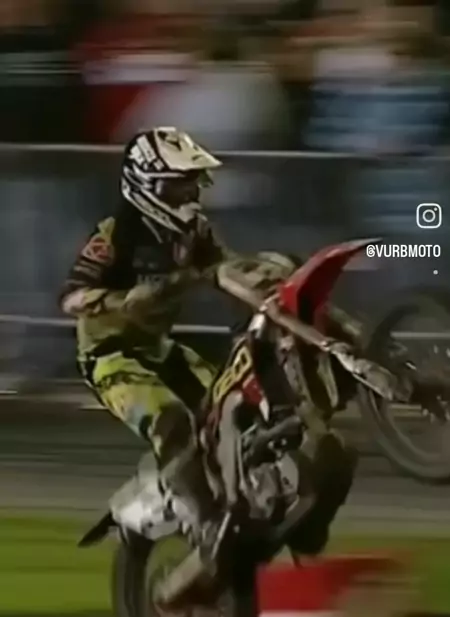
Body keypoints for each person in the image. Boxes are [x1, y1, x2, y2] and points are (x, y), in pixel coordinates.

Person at [60, 126, 361, 569]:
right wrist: (122, 301)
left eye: (192, 183)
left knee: (235, 410)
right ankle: (205, 527)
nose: (189, 194)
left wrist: (272, 284)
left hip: (162, 349)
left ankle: (276, 511)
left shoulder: (195, 232)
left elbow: (228, 271)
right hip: (109, 355)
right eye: (178, 185)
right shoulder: (116, 234)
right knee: (171, 422)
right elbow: (72, 297)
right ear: (147, 186)